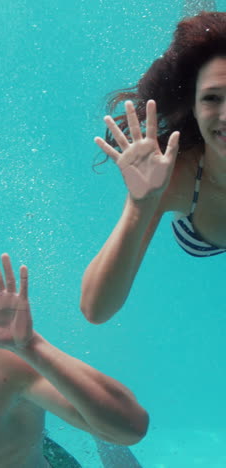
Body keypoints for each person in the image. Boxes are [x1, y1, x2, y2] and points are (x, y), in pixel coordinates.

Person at [0, 209, 149, 468]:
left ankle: (90, 430)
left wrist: (31, 347)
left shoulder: (3, 359)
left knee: (104, 440)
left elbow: (131, 428)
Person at [80, 9, 226, 325]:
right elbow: (96, 309)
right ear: (194, 108)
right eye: (212, 98)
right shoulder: (173, 177)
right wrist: (140, 204)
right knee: (199, 24)